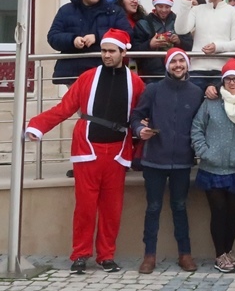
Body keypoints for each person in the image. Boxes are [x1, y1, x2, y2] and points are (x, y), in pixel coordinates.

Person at [25, 29, 145, 274]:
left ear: (124, 52)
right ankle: (80, 255)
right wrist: (37, 126)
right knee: (85, 207)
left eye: (111, 51)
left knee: (112, 209)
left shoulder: (136, 82)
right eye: (103, 51)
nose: (106, 55)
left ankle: (106, 256)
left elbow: (142, 115)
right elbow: (64, 108)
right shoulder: (88, 77)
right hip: (87, 150)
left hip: (117, 152)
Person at [131, 48, 204, 274]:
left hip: (182, 160)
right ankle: (149, 255)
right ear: (167, 65)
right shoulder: (153, 89)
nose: (178, 65)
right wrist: (140, 129)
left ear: (187, 64)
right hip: (154, 159)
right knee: (153, 208)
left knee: (180, 207)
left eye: (182, 61)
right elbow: (135, 116)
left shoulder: (195, 92)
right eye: (174, 62)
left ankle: (185, 254)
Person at [191, 58, 235, 273]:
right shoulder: (211, 101)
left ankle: (228, 251)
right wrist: (204, 152)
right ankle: (219, 254)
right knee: (218, 211)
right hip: (212, 167)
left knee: (233, 212)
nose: (232, 83)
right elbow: (197, 128)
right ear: (223, 81)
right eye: (228, 79)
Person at [47, 0, 130, 85]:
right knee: (77, 104)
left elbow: (126, 33)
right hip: (73, 73)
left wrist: (98, 37)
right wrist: (73, 40)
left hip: (104, 70)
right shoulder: (66, 10)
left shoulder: (115, 11)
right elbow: (53, 37)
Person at [174, 0, 235, 90]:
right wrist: (185, 2)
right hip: (197, 70)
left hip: (222, 70)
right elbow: (180, 30)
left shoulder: (232, 12)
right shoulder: (197, 10)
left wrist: (217, 47)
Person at [132, 0, 193, 83]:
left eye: (167, 7)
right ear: (155, 6)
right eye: (160, 6)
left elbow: (190, 45)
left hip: (177, 73)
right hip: (151, 74)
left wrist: (179, 41)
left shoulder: (179, 21)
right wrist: (150, 44)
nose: (164, 10)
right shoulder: (143, 24)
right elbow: (134, 51)